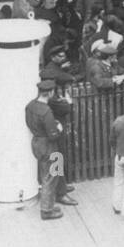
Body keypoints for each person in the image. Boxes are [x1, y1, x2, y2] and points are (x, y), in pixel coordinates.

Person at [26, 80, 76, 220]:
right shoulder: (46, 111)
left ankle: (60, 192)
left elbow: (30, 123)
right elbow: (53, 135)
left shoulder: (30, 106)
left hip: (37, 142)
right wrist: (58, 127)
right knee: (50, 177)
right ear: (50, 92)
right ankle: (46, 210)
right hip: (48, 145)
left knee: (54, 170)